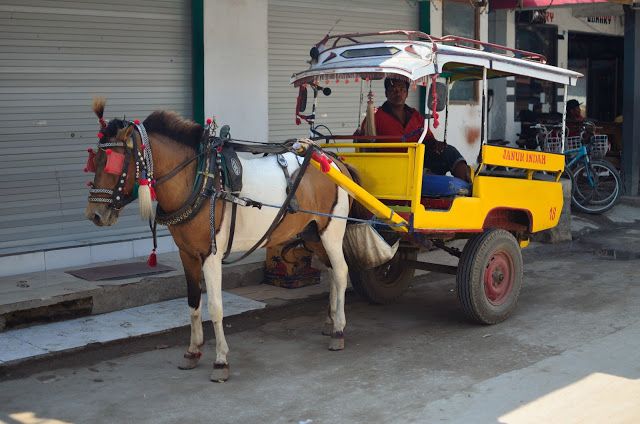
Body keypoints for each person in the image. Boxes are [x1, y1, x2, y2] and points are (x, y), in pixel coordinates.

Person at [359, 77, 471, 183]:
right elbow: (362, 141)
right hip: (390, 165)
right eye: (393, 89)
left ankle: (466, 187)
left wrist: (436, 144)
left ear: (407, 93)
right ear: (386, 93)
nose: (398, 93)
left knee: (449, 151)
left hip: (417, 162)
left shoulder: (415, 115)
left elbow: (428, 139)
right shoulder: (375, 116)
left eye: (402, 89)